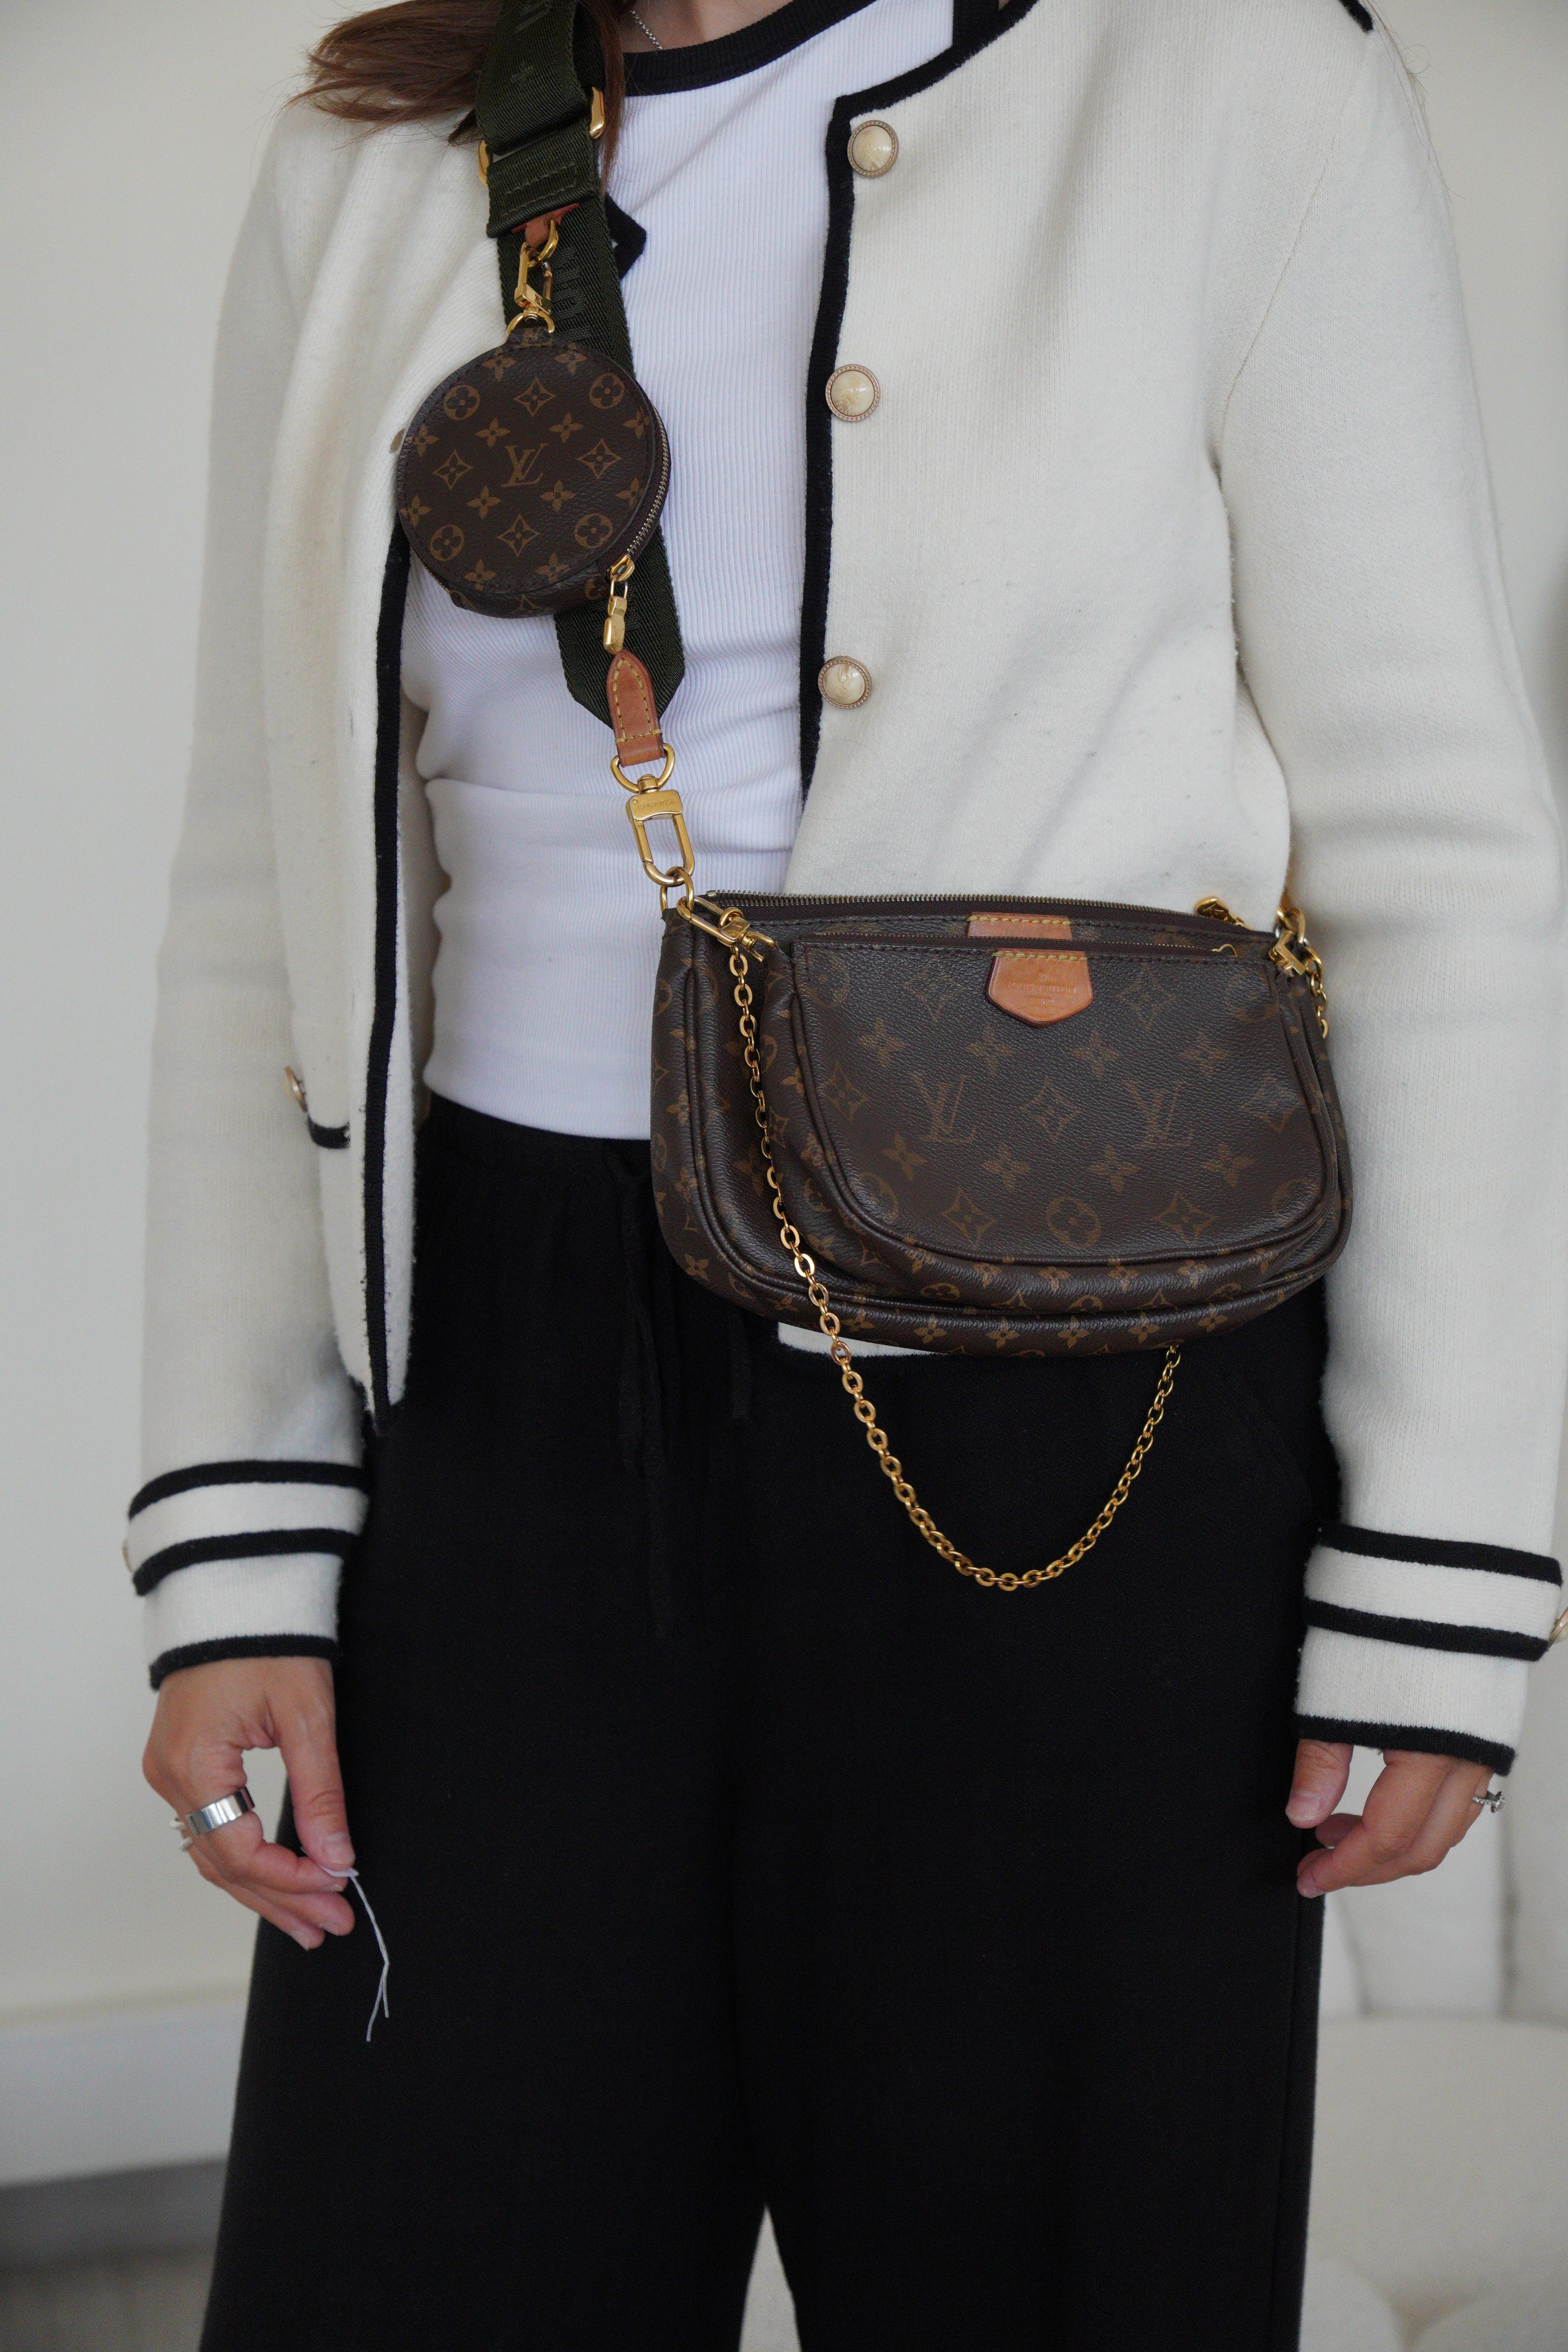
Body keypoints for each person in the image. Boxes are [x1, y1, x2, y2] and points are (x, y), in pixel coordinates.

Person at [136, 0, 1567, 2344]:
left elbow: (1439, 856)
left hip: (1080, 1404)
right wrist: (239, 1552)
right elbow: (256, 895)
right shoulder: (369, 157)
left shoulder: (1230, 82)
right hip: (493, 1403)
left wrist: (1440, 1569)